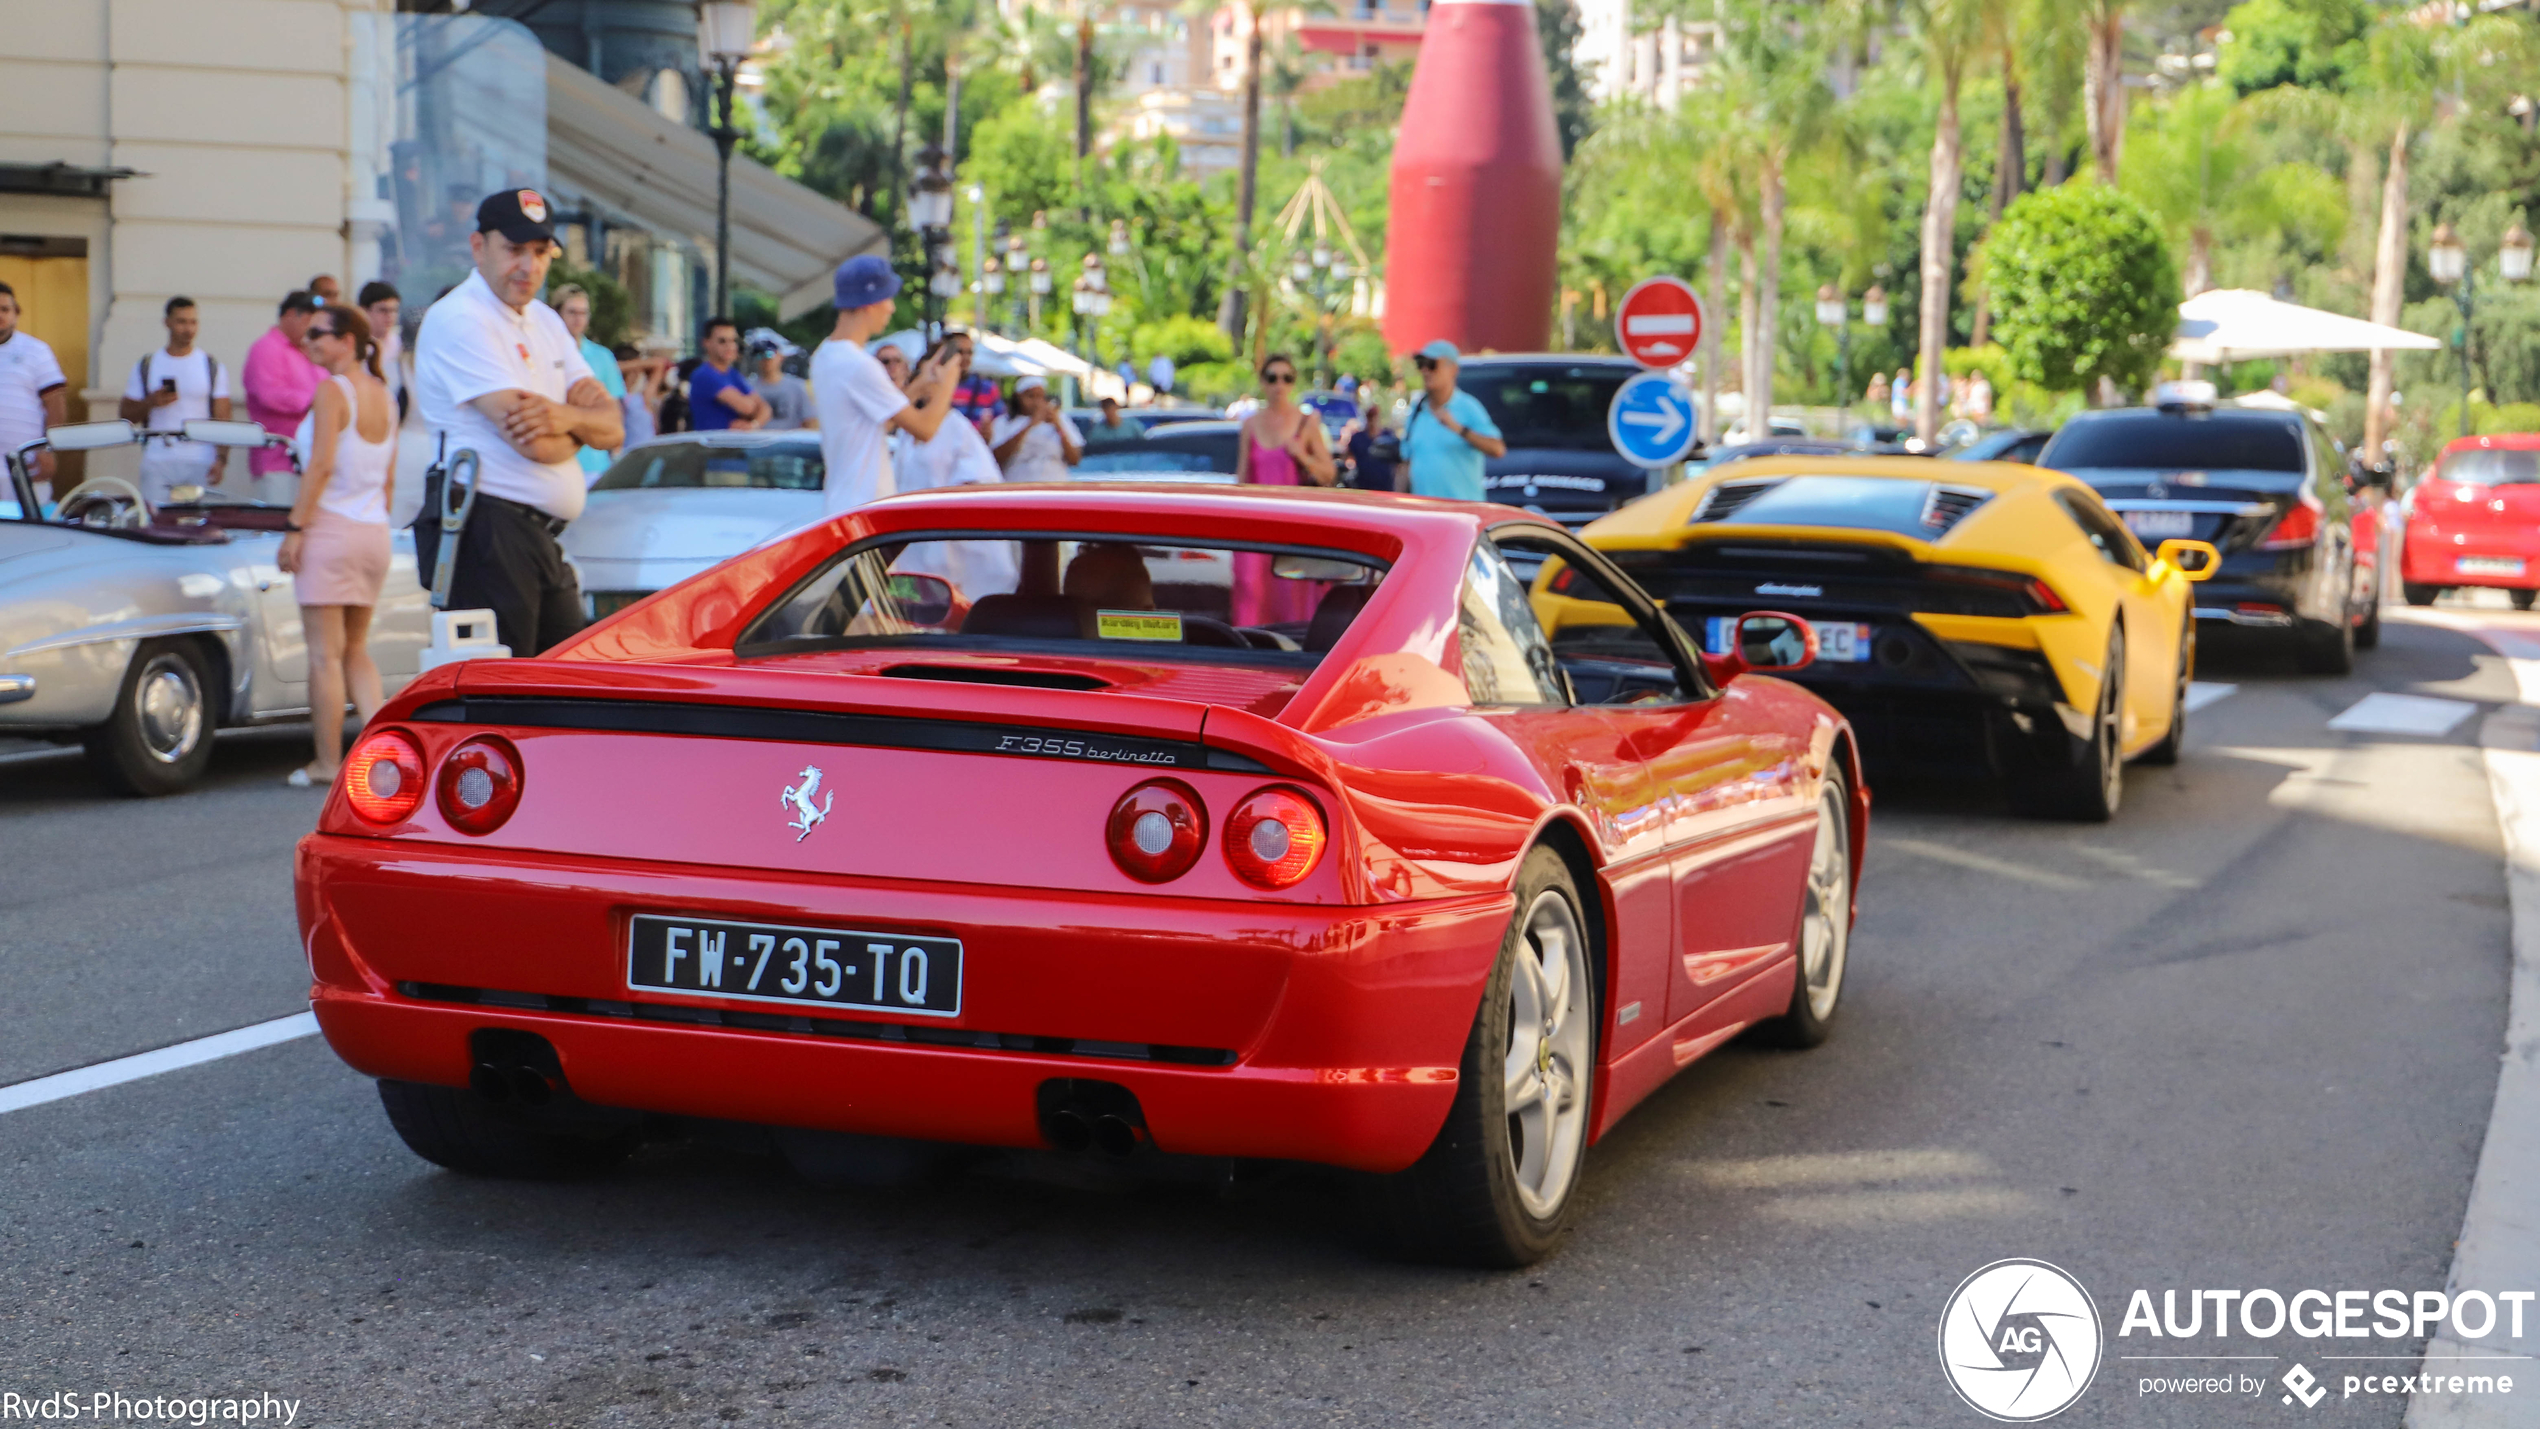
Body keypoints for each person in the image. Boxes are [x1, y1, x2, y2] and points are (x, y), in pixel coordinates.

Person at [412, 187, 623, 657]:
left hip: (535, 536)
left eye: (541, 251)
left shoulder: (545, 320)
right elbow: (535, 444)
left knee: (564, 689)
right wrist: (583, 425)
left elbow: (614, 427)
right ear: (477, 246)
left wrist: (562, 416)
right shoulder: (462, 318)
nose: (529, 267)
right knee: (505, 697)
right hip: (488, 529)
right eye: (514, 250)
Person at [277, 304, 396, 789]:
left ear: (347, 340)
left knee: (325, 655)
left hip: (331, 528)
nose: (309, 344)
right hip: (374, 531)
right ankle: (388, 758)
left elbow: (321, 465)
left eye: (318, 336)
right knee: (357, 652)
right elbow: (387, 477)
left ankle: (328, 761)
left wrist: (295, 526)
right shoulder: (384, 394)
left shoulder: (333, 391)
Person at [808, 254, 956, 516]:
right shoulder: (858, 365)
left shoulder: (824, 356)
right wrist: (949, 380)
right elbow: (925, 428)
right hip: (865, 510)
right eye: (887, 299)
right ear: (869, 303)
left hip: (844, 505)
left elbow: (882, 422)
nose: (891, 308)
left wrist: (922, 383)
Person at [1232, 353, 1338, 626]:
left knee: (1291, 604)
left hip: (1294, 528)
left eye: (1286, 378)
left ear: (1293, 384)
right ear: (1262, 383)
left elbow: (1329, 474)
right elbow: (1242, 479)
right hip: (1255, 530)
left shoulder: (1306, 422)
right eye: (1272, 378)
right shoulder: (1250, 424)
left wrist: (1302, 455)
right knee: (1250, 599)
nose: (1279, 385)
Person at [118, 296, 234, 505]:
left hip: (200, 459)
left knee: (194, 524)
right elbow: (125, 415)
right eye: (181, 322)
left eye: (193, 322)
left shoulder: (210, 366)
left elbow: (223, 415)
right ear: (167, 323)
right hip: (158, 459)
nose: (188, 329)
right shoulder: (148, 364)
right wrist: (151, 402)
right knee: (156, 522)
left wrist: (221, 459)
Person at [1397, 339, 1504, 501]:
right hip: (1424, 514)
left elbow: (1497, 448)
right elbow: (1406, 463)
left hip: (1462, 514)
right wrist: (1398, 503)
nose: (1425, 371)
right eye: (1421, 364)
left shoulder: (1468, 407)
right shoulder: (1417, 409)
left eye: (1432, 364)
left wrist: (1459, 429)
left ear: (1452, 369)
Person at [244, 290, 324, 504]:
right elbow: (268, 395)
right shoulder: (266, 349)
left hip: (310, 461)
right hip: (277, 461)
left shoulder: (310, 350)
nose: (312, 328)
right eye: (308, 320)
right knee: (278, 528)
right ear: (290, 315)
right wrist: (313, 400)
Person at [551, 284, 627, 480]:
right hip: (554, 457)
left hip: (595, 462)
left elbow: (616, 408)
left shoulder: (602, 356)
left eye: (583, 313)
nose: (578, 319)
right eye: (572, 312)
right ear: (557, 313)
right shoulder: (545, 352)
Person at [0, 281, 67, 499]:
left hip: (26, 466)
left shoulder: (37, 351)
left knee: (28, 529)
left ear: (16, 313)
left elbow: (55, 403)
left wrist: (47, 449)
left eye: (5, 309)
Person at [989, 376, 1083, 482]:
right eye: (1031, 396)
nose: (1036, 402)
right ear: (1018, 397)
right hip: (1018, 487)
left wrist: (1058, 426)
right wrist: (1029, 425)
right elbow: (996, 459)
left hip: (1054, 487)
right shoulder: (1003, 423)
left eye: (1040, 396)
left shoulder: (1060, 419)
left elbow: (1075, 459)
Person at [688, 318, 768, 432]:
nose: (730, 346)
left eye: (733, 340)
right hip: (711, 446)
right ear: (706, 343)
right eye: (722, 341)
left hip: (732, 445)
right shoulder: (704, 375)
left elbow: (766, 409)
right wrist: (752, 405)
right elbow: (747, 407)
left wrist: (753, 425)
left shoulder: (733, 374)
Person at [357, 282, 407, 422]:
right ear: (363, 310)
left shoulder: (401, 345)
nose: (390, 316)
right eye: (383, 310)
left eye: (394, 310)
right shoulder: (353, 348)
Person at [1340, 383, 1396, 492]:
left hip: (1385, 487)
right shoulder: (1358, 438)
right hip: (1363, 486)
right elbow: (1346, 456)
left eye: (1375, 417)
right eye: (1370, 417)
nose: (1373, 421)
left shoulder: (1388, 437)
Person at [752, 340, 813, 431]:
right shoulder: (748, 387)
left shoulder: (798, 387)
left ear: (780, 357)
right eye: (759, 355)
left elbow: (810, 420)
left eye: (769, 354)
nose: (765, 359)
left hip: (789, 442)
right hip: (757, 442)